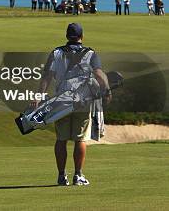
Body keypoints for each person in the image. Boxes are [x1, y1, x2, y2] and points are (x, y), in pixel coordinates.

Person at [32, 23, 111, 186]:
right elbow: (98, 73)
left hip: (61, 101)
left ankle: (62, 176)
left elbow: (47, 76)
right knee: (80, 139)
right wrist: (107, 90)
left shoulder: (56, 53)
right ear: (82, 36)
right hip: (82, 101)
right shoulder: (90, 53)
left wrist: (38, 96)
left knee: (61, 139)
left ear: (67, 36)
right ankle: (78, 175)